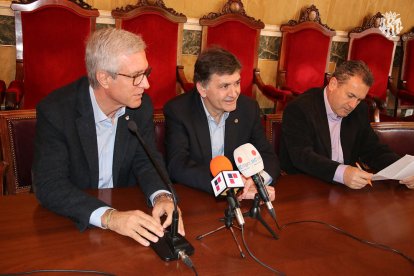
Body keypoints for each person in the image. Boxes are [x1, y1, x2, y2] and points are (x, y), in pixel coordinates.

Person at [32, 28, 185, 247]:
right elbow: (50, 185)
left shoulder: (140, 107)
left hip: (128, 216)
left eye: (146, 73)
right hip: (71, 222)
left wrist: (162, 196)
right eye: (135, 76)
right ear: (103, 78)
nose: (146, 84)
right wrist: (110, 217)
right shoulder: (56, 111)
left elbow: (147, 161)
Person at [164, 47, 280, 200]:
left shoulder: (248, 108)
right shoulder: (179, 111)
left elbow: (267, 156)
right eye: (224, 86)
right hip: (197, 198)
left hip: (242, 200)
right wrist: (231, 186)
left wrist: (257, 181)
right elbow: (178, 166)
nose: (234, 93)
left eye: (237, 83)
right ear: (202, 89)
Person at [280, 60, 414, 189]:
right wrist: (342, 173)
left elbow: (374, 150)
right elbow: (302, 156)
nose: (352, 105)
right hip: (307, 188)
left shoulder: (359, 110)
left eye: (359, 99)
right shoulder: (300, 108)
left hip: (344, 191)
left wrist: (404, 170)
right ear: (333, 84)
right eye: (350, 95)